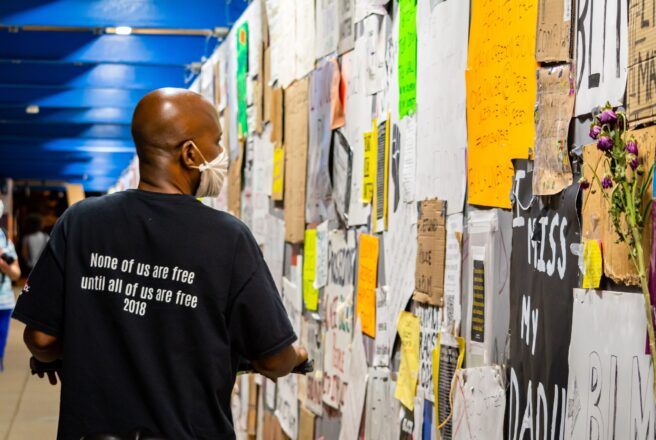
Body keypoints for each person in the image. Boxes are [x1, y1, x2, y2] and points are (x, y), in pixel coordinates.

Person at [12, 88, 307, 440]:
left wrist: (77, 351)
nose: (222, 154)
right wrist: (297, 355)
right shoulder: (228, 238)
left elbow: (41, 340)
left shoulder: (80, 222)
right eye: (216, 142)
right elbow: (273, 358)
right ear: (190, 153)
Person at [0, 200, 21, 371]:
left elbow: (16, 273)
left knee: (1, 340)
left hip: (4, 302)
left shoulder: (5, 239)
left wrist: (3, 264)